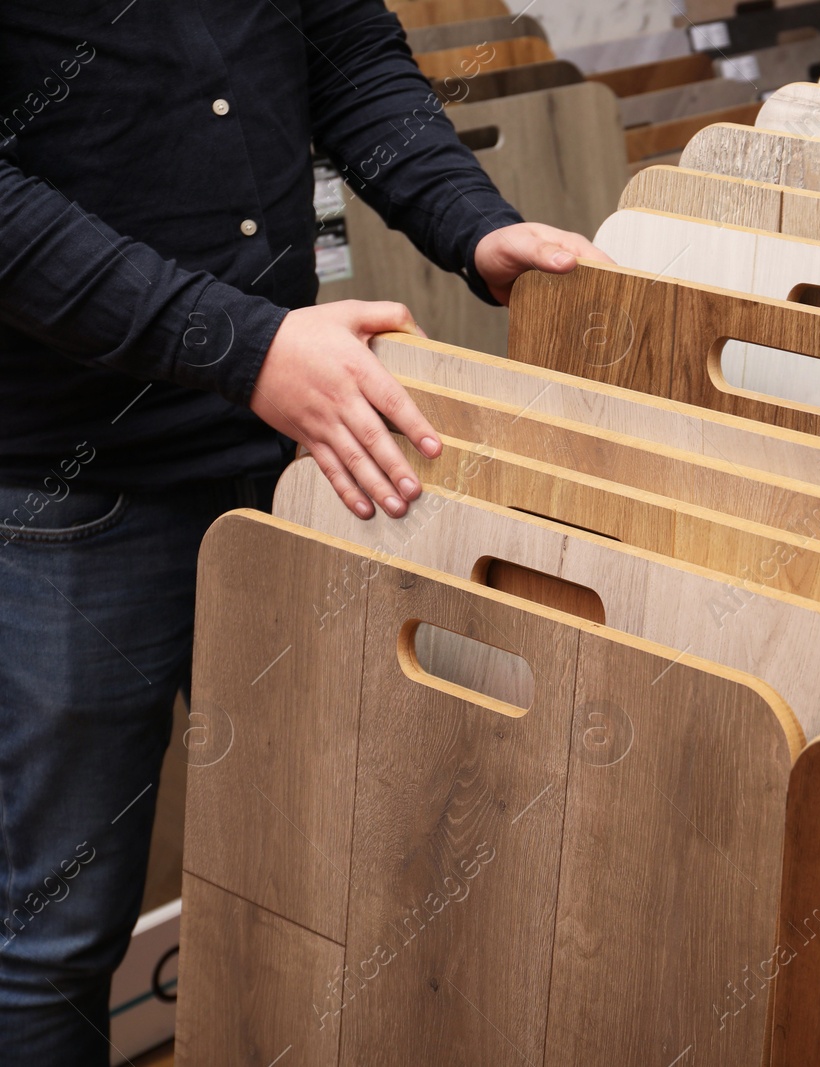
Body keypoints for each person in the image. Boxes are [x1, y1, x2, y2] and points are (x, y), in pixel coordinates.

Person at [0, 3, 607, 1061]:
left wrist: (469, 219)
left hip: (289, 458)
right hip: (75, 488)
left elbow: (346, 51)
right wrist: (244, 346)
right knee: (53, 937)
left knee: (336, 885)